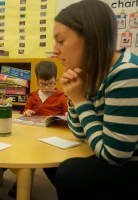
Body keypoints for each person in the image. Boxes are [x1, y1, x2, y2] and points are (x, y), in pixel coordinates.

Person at [43, 0, 138, 199]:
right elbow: (79, 132)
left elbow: (114, 156)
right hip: (112, 155)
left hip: (129, 163)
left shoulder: (127, 72)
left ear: (91, 39)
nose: (55, 51)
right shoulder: (94, 71)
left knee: (71, 172)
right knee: (49, 160)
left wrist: (79, 100)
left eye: (60, 41)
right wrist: (74, 96)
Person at [0, 61, 68, 198]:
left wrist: (66, 116)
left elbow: (66, 115)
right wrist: (27, 112)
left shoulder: (62, 97)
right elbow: (26, 110)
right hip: (31, 132)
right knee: (16, 147)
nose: (46, 87)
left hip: (51, 135)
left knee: (34, 154)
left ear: (56, 80)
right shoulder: (33, 96)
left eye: (50, 83)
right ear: (37, 81)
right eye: (42, 84)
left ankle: (20, 184)